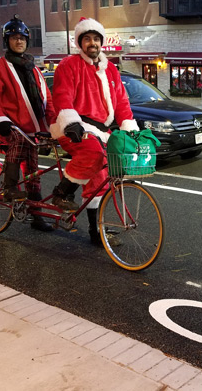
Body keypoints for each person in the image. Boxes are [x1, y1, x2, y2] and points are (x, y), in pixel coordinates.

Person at [49, 17, 139, 245]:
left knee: (101, 177)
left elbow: (121, 102)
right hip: (74, 126)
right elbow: (62, 96)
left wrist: (129, 126)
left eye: (96, 39)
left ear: (101, 41)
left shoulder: (110, 69)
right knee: (92, 154)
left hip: (103, 130)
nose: (92, 43)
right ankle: (62, 192)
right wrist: (70, 122)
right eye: (87, 38)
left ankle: (96, 232)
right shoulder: (69, 65)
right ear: (80, 42)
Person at [0, 15, 55, 232]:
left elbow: (46, 100)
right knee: (19, 142)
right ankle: (9, 187)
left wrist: (55, 125)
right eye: (14, 37)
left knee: (33, 170)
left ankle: (35, 215)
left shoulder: (34, 69)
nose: (19, 41)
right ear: (7, 41)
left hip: (32, 128)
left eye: (22, 37)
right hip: (9, 126)